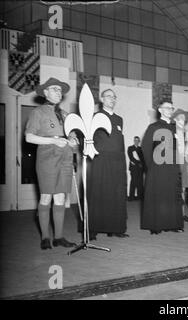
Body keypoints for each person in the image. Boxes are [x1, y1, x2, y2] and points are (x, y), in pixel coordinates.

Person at [25, 77, 78, 250]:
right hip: (47, 158)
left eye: (60, 89)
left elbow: (73, 137)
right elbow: (29, 137)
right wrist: (53, 141)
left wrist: (72, 140)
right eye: (54, 89)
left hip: (66, 158)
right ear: (45, 92)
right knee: (46, 196)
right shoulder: (38, 112)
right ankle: (45, 237)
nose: (58, 92)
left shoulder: (66, 114)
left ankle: (59, 237)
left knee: (61, 197)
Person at [88, 89, 129, 239]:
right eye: (109, 96)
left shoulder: (119, 119)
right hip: (100, 161)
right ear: (102, 99)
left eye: (114, 96)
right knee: (99, 194)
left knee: (116, 194)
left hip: (117, 162)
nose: (112, 99)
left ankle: (115, 228)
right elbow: (88, 139)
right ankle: (93, 229)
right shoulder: (95, 117)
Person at [141, 100, 183, 234]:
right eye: (167, 108)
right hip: (157, 166)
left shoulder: (175, 127)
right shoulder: (153, 127)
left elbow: (179, 148)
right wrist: (151, 165)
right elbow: (146, 147)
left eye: (172, 108)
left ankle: (173, 224)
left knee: (172, 194)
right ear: (160, 110)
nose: (170, 110)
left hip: (172, 166)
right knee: (158, 194)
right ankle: (156, 225)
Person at [172, 108, 188, 222]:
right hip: (174, 162)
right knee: (175, 188)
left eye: (184, 119)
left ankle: (183, 213)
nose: (182, 121)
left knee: (183, 188)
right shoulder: (170, 131)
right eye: (180, 119)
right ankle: (175, 212)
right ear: (175, 119)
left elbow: (187, 151)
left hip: (184, 162)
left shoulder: (186, 132)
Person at [127, 136, 145, 201]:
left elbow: (143, 158)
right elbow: (131, 157)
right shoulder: (130, 148)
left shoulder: (141, 149)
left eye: (137, 140)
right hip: (133, 168)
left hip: (140, 168)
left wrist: (140, 163)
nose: (136, 141)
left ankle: (140, 197)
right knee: (133, 182)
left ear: (139, 141)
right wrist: (138, 163)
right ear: (133, 141)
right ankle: (131, 197)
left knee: (140, 182)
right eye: (135, 140)